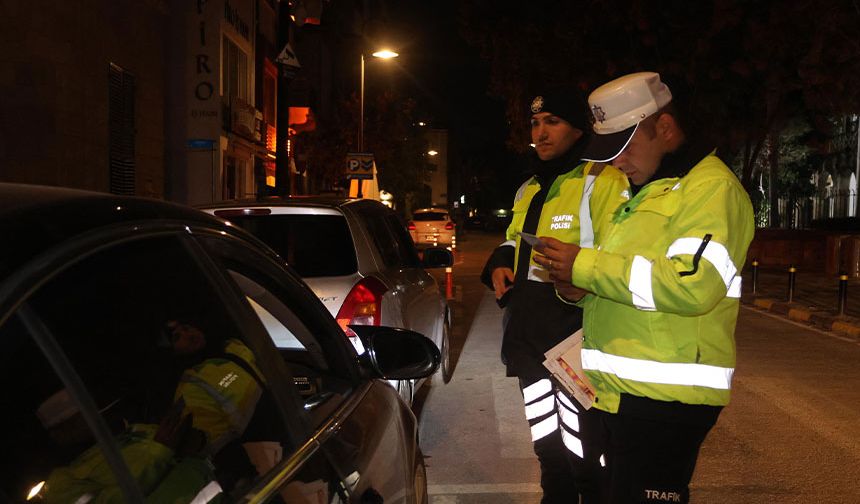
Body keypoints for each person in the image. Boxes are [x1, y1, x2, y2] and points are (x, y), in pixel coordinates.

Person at [533, 72, 755, 503]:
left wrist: (586, 265)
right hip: (624, 396)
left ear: (665, 129)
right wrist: (578, 286)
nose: (617, 163)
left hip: (666, 401)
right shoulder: (650, 191)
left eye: (625, 147)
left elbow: (692, 286)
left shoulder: (710, 190)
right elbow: (629, 279)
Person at [480, 87, 629, 503]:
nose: (541, 133)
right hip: (530, 338)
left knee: (587, 456)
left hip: (575, 339)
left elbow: (620, 254)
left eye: (553, 122)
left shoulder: (602, 179)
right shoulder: (530, 185)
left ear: (578, 128)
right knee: (547, 446)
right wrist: (499, 263)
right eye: (535, 123)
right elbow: (514, 240)